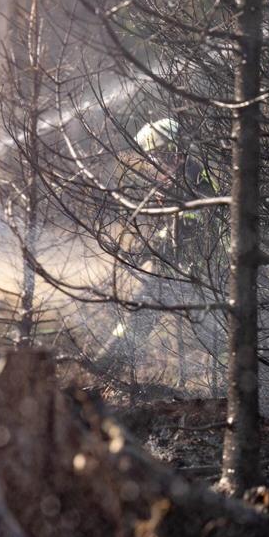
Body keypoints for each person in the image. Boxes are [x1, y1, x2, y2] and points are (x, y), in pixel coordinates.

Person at [98, 118, 219, 381]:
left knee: (216, 328)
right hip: (177, 267)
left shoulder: (193, 172)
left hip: (199, 268)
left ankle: (236, 383)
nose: (157, 162)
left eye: (161, 155)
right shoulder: (178, 173)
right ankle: (107, 364)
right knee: (143, 309)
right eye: (153, 157)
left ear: (175, 149)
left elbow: (199, 219)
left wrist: (150, 249)